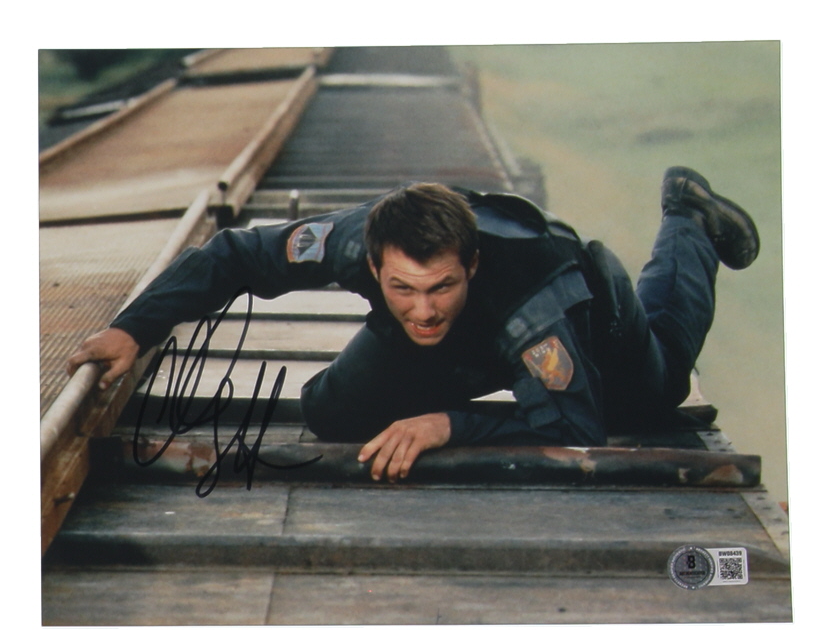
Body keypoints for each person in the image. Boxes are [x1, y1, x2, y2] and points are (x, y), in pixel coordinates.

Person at [67, 167, 759, 482]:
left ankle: (689, 219)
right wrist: (135, 328)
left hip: (588, 317)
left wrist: (447, 424)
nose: (423, 307)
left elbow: (575, 430)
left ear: (471, 265)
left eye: (441, 286)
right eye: (402, 288)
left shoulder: (536, 311)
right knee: (333, 415)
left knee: (655, 392)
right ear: (372, 265)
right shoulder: (352, 238)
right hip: (469, 337)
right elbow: (234, 255)